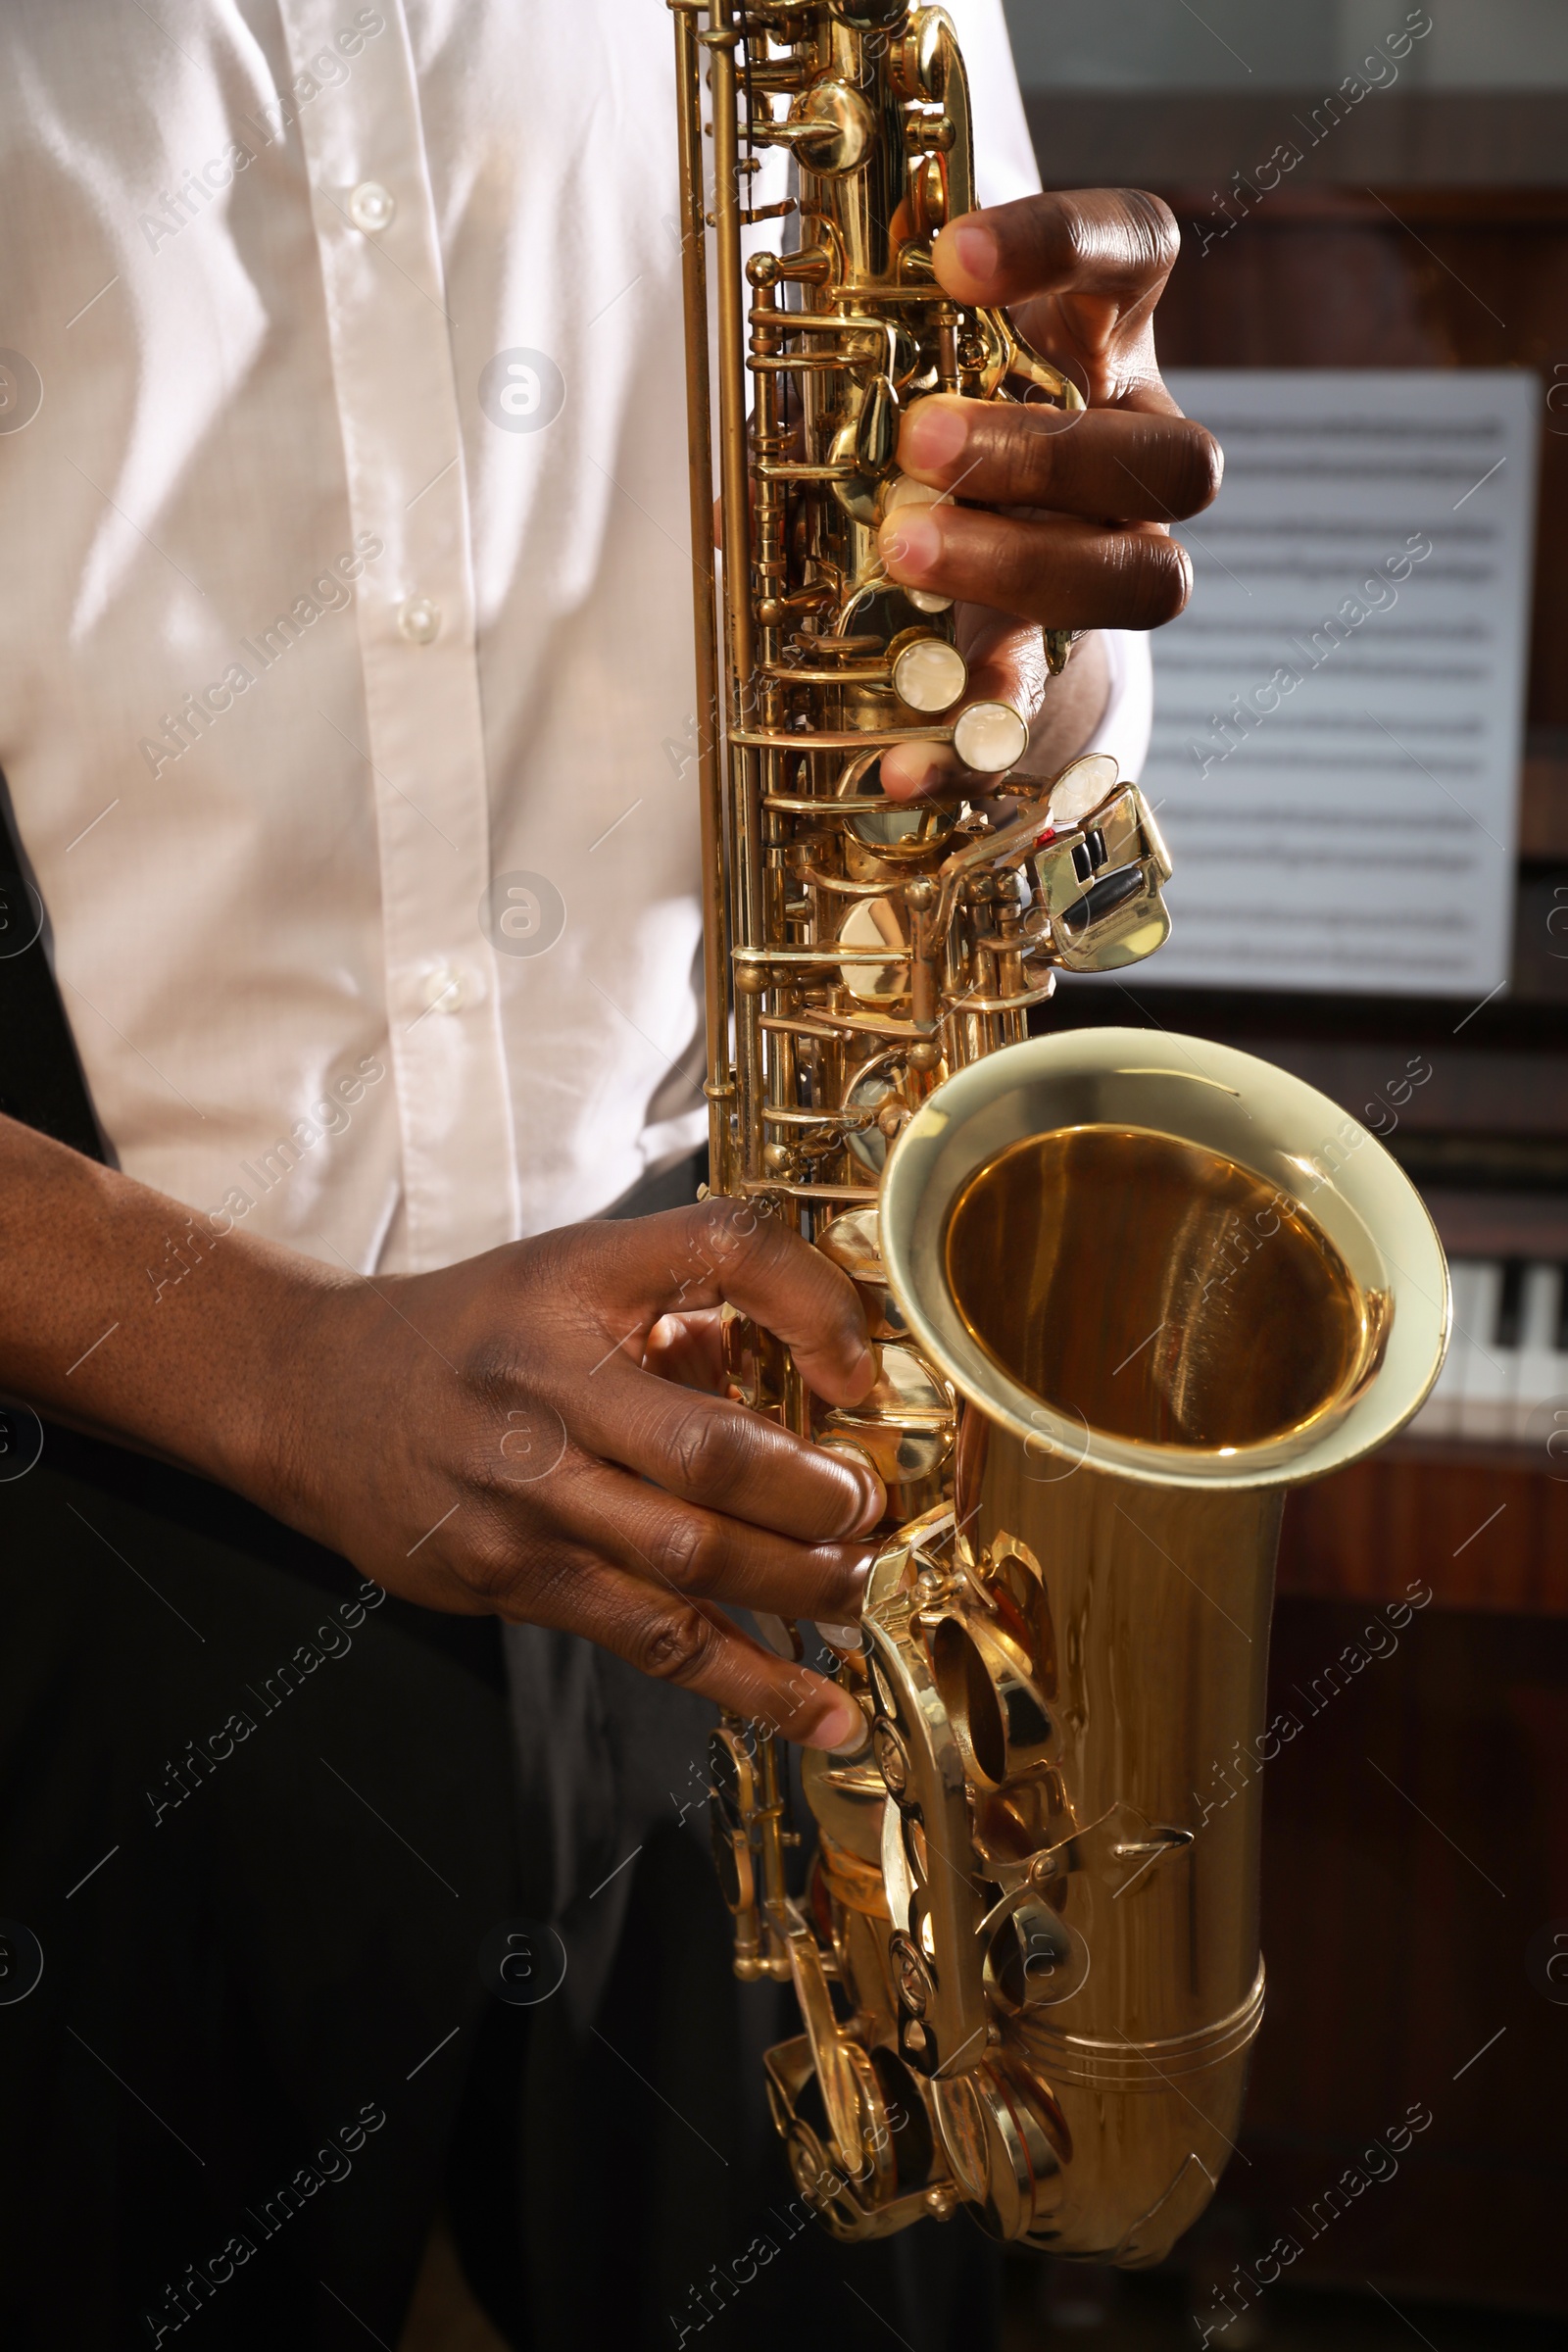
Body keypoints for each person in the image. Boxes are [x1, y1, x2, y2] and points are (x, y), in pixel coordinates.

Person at [0, 3, 1221, 2345]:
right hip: (79, 1509)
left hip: (763, 1442)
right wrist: (264, 1358)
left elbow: (1016, 722)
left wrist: (1021, 655)